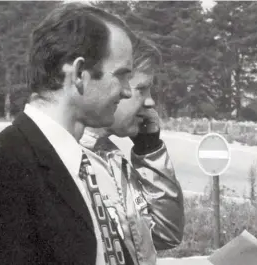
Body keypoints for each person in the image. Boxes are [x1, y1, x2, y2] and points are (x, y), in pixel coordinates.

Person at [0, 2, 137, 264]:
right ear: (78, 74)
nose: (127, 90)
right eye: (120, 75)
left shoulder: (80, 164)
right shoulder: (3, 169)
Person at [79, 37, 185, 265]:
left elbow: (166, 234)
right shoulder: (69, 157)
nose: (150, 102)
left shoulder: (112, 156)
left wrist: (150, 150)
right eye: (142, 89)